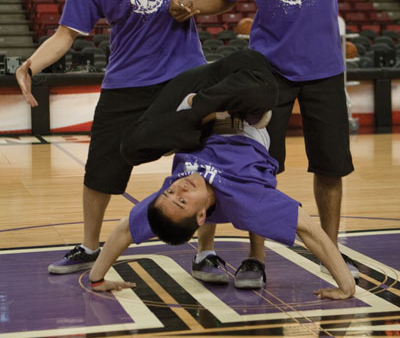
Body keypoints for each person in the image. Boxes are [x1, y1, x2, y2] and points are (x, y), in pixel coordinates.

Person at [15, 0, 261, 274]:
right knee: (101, 168)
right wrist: (31, 62)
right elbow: (66, 34)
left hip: (184, 71)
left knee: (202, 163)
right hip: (128, 79)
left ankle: (205, 249)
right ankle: (90, 247)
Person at [168, 0, 400, 281]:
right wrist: (192, 6)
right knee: (255, 167)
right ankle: (256, 256)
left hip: (325, 69)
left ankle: (329, 252)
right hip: (267, 72)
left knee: (330, 167)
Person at [86, 50, 356, 301]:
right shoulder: (245, 199)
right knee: (263, 91)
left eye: (170, 191)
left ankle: (203, 112)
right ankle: (217, 110)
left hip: (195, 99)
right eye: (183, 200)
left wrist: (97, 279)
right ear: (201, 216)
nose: (178, 188)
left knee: (130, 148)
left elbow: (124, 230)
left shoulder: (166, 207)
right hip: (242, 94)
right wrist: (346, 285)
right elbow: (308, 229)